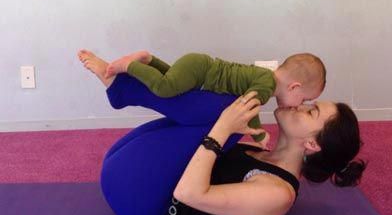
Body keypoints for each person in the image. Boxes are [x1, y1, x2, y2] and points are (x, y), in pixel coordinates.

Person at [78, 49, 366, 215]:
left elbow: (187, 194)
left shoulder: (277, 194)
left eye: (311, 111)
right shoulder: (258, 150)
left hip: (142, 205)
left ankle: (123, 86)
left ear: (313, 144)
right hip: (128, 171)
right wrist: (226, 126)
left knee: (223, 113)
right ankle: (143, 75)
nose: (300, 104)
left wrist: (223, 128)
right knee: (225, 109)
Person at [103, 49, 326, 147]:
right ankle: (130, 66)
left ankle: (149, 60)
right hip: (200, 70)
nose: (300, 106)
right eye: (304, 100)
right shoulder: (267, 86)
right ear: (295, 87)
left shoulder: (266, 77)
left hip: (199, 65)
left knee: (175, 84)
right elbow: (248, 106)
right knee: (164, 88)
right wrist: (258, 135)